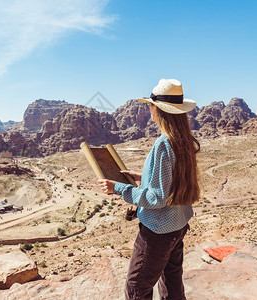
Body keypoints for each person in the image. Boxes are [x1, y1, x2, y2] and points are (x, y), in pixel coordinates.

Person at [98, 79, 200, 300]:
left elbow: (157, 198)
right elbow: (174, 181)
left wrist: (119, 188)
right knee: (172, 283)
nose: (148, 108)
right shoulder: (183, 140)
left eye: (150, 105)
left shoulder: (163, 144)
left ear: (157, 109)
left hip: (157, 232)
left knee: (137, 288)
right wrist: (145, 178)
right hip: (178, 225)